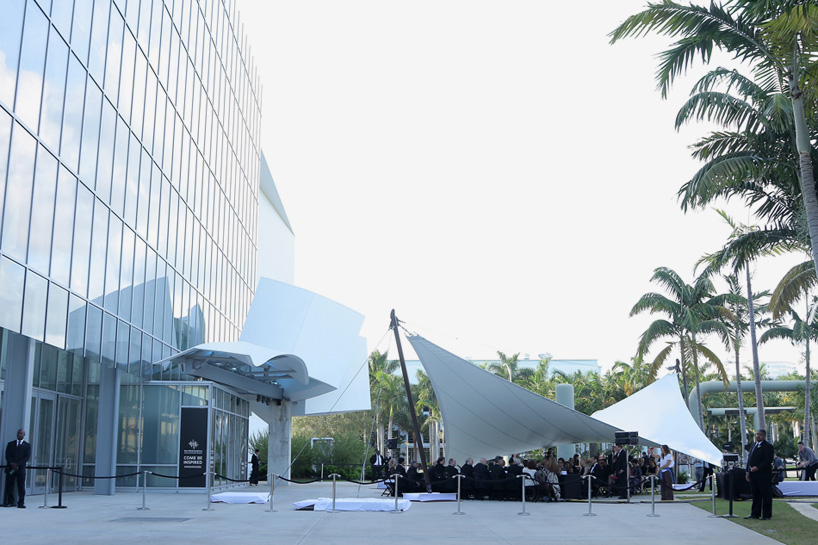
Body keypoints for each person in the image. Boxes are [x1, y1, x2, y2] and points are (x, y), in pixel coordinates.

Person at [745, 429, 774, 520]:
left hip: (763, 475)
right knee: (755, 494)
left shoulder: (768, 446)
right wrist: (747, 472)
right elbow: (749, 460)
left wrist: (758, 467)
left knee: (765, 494)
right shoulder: (753, 445)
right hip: (753, 475)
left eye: (760, 435)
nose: (758, 436)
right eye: (757, 434)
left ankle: (766, 515)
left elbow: (768, 460)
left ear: (764, 436)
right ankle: (755, 514)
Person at [4, 429, 31, 508]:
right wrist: (12, 463)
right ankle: (10, 501)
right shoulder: (10, 444)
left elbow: (26, 457)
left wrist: (18, 464)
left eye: (21, 433)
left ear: (24, 435)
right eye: (18, 433)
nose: (19, 434)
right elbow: (7, 455)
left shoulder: (27, 445)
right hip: (11, 468)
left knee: (21, 486)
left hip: (20, 469)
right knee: (9, 485)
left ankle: (21, 502)